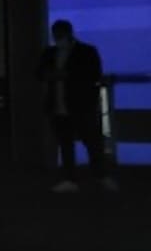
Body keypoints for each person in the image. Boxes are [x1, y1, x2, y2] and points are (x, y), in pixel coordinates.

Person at [37, 20, 115, 193]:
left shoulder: (86, 52)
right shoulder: (50, 52)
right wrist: (53, 75)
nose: (57, 38)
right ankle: (72, 178)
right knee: (67, 143)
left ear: (68, 33)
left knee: (91, 142)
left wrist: (65, 75)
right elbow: (39, 73)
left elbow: (93, 74)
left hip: (81, 105)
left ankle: (99, 175)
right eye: (55, 35)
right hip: (59, 105)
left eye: (59, 35)